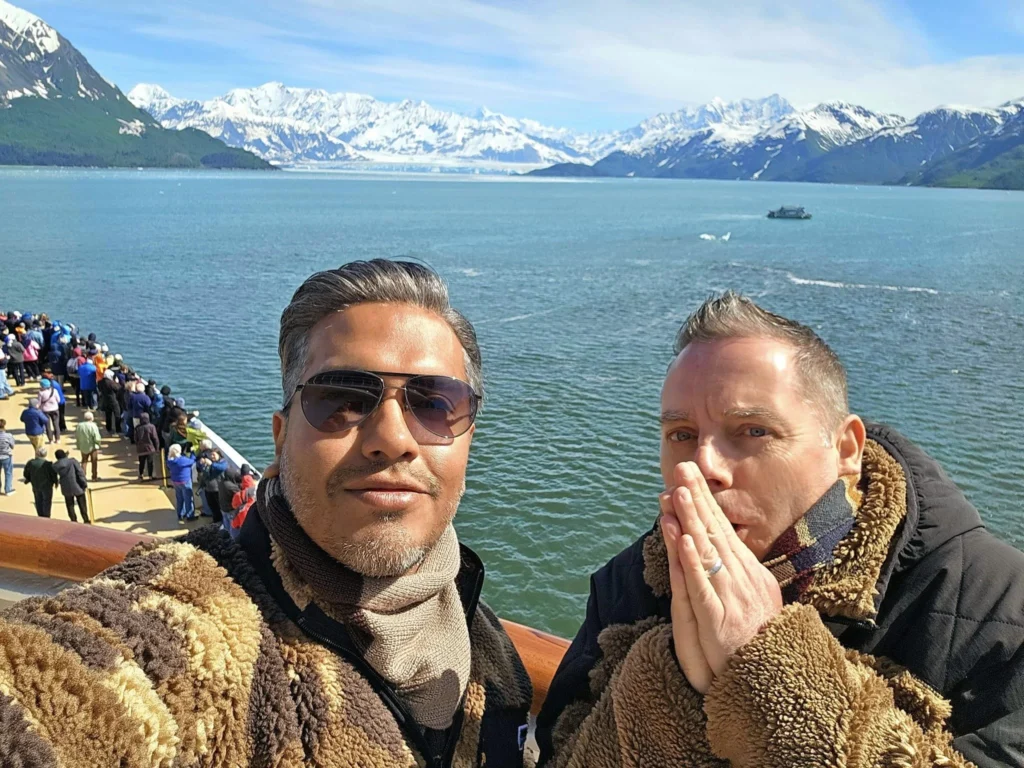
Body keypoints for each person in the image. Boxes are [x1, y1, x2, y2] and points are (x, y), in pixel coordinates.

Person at [0, 260, 532, 767]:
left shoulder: (483, 640)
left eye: (435, 402)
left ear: (467, 440)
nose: (392, 439)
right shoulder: (198, 633)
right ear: (280, 441)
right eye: (341, 399)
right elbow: (65, 687)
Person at [537, 291, 1024, 768]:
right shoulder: (627, 585)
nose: (704, 465)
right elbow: (559, 750)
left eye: (753, 430)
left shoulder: (1002, 610)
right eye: (681, 435)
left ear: (846, 449)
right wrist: (664, 691)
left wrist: (771, 676)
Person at [53, 449, 90, 523]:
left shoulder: (55, 466)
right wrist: (84, 483)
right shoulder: (72, 461)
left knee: (70, 505)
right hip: (77, 485)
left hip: (66, 487)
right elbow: (80, 472)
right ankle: (85, 519)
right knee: (82, 504)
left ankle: (73, 520)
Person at [22, 445, 56, 517]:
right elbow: (53, 475)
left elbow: (26, 474)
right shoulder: (49, 464)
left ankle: (40, 516)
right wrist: (55, 482)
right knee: (47, 502)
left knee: (38, 501)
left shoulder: (31, 463)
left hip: (36, 485)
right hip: (47, 487)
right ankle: (46, 516)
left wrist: (28, 479)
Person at [165, 442, 197, 521]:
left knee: (179, 498)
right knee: (188, 499)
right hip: (185, 481)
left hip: (176, 481)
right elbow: (192, 461)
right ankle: (190, 515)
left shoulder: (170, 460)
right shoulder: (183, 460)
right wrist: (192, 452)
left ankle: (180, 514)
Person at [75, 410, 102, 481]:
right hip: (93, 447)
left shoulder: (79, 426)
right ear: (91, 418)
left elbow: (77, 436)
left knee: (84, 461)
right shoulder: (93, 426)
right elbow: (97, 437)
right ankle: (94, 477)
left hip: (83, 446)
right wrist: (98, 444)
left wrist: (78, 445)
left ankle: (83, 477)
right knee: (94, 461)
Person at [134, 412, 159, 481]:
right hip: (150, 448)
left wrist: (138, 445)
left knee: (141, 462)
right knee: (150, 462)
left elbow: (135, 439)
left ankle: (141, 474)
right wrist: (157, 448)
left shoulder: (137, 428)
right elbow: (155, 438)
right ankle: (150, 476)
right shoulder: (151, 427)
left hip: (141, 448)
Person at [98, 369, 122, 437]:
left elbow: (100, 389)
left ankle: (108, 428)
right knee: (117, 414)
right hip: (113, 400)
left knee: (108, 415)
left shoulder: (100, 382)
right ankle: (118, 429)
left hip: (105, 400)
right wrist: (117, 382)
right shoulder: (111, 383)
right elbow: (118, 388)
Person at [37, 378, 61, 443]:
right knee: (56, 424)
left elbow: (38, 403)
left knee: (47, 426)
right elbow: (58, 400)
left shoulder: (41, 393)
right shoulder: (54, 391)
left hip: (45, 410)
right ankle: (58, 439)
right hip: (55, 409)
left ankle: (50, 440)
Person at [128, 380, 152, 444]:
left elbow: (129, 406)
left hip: (135, 415)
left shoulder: (132, 396)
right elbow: (149, 407)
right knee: (144, 429)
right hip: (144, 416)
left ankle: (136, 441)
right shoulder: (146, 398)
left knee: (136, 429)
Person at [0, 419, 15, 496]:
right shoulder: (8, 436)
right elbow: (12, 446)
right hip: (6, 457)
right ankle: (8, 490)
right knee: (8, 473)